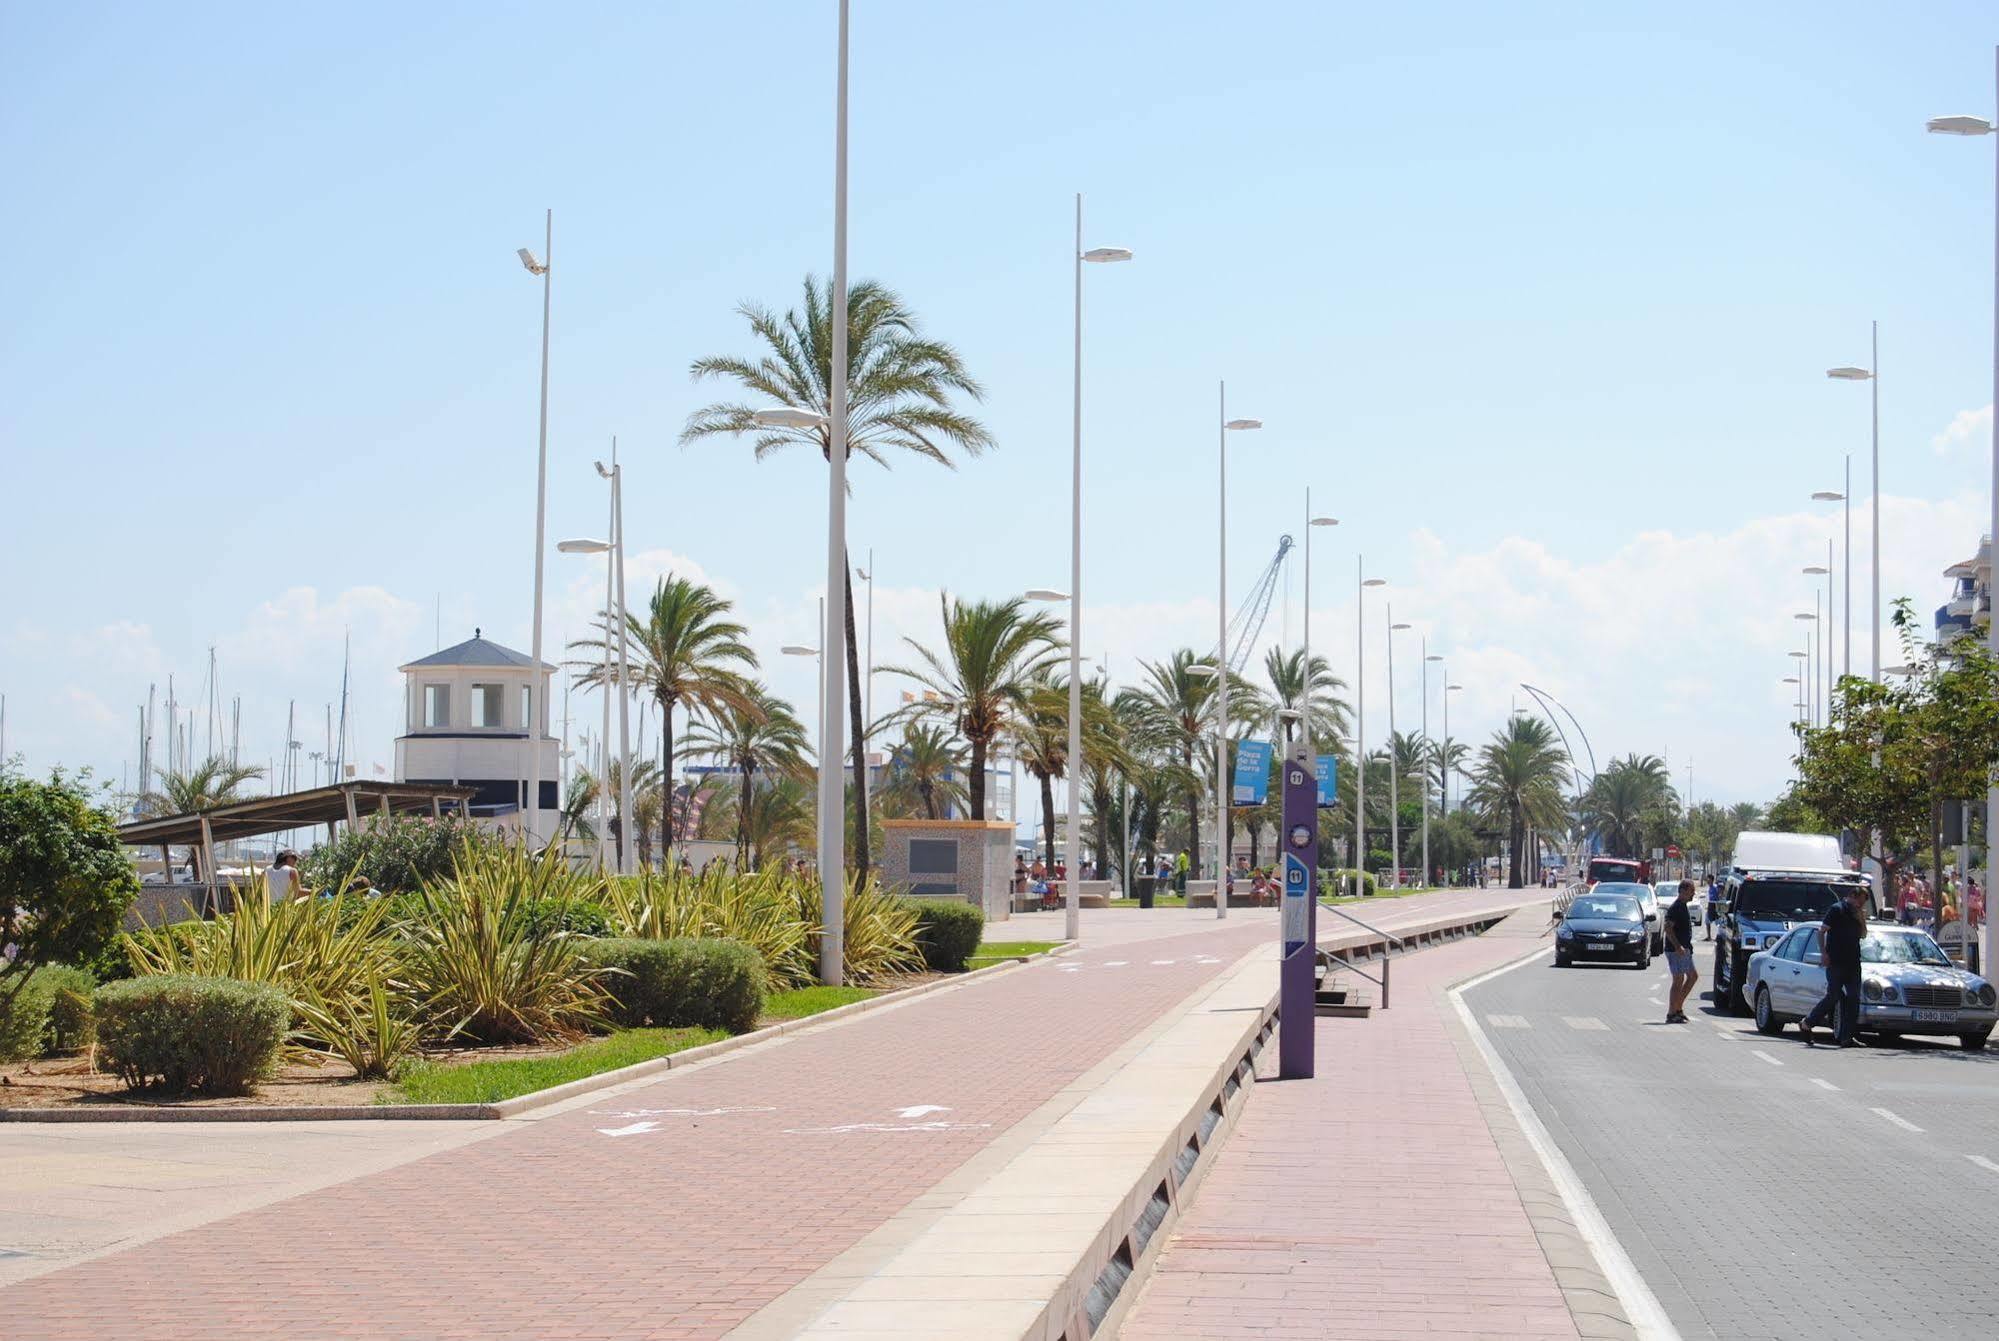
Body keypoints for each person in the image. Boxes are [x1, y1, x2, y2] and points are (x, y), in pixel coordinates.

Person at [1802, 883, 1868, 1047]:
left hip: (1853, 962)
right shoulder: (1836, 909)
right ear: (1852, 896)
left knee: (1853, 998)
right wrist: (1824, 953)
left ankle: (1846, 1037)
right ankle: (1807, 1023)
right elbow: (1821, 931)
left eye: (1863, 903)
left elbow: (1864, 935)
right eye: (1859, 901)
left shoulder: (1857, 913)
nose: (1861, 905)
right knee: (1834, 996)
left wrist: (1861, 918)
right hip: (1836, 961)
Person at [1662, 879, 1699, 1023]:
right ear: (1683, 891)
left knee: (1692, 976)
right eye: (1691, 891)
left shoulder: (1683, 906)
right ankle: (1672, 1012)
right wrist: (1678, 946)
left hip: (1684, 950)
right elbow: (1668, 928)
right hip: (1676, 950)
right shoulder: (1676, 907)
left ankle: (1678, 1007)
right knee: (1678, 980)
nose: (1693, 894)